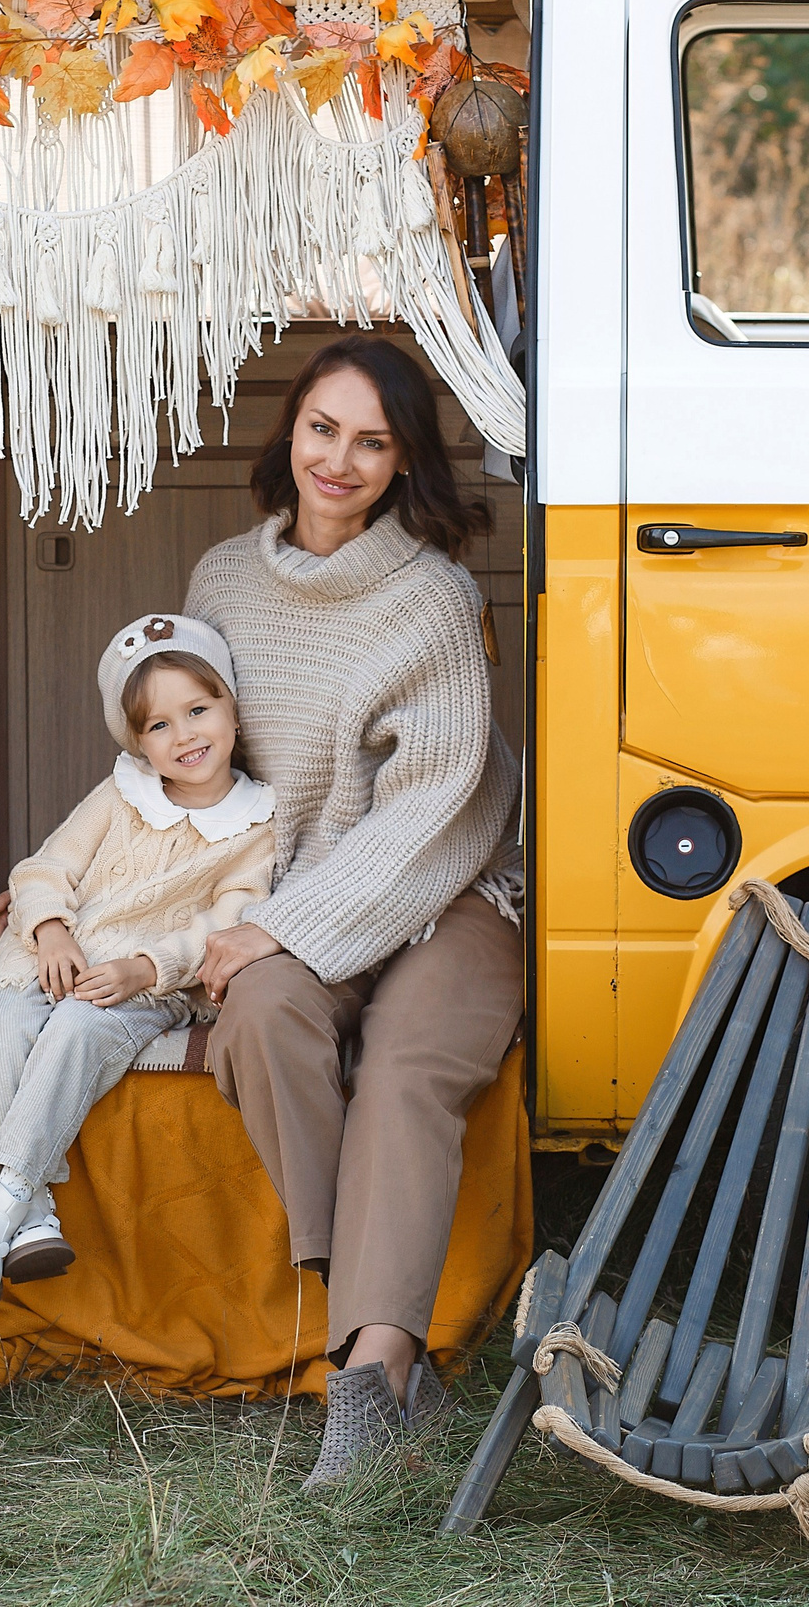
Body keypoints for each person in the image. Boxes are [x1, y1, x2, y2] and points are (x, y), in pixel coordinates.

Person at [187, 333, 523, 1487]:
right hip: (299, 896)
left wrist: (285, 925)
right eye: (323, 429)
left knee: (403, 1070)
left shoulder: (428, 597)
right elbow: (189, 759)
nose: (339, 460)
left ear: (402, 464)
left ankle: (371, 1378)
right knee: (258, 1015)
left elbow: (435, 807)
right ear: (291, 432)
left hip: (453, 887)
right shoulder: (225, 579)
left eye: (371, 443)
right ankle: (372, 1321)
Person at [0, 614, 278, 1299]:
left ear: (233, 712)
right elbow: (44, 867)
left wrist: (146, 969)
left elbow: (229, 920)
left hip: (141, 984)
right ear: (138, 742)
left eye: (198, 710)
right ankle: (31, 1216)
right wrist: (51, 931)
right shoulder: (120, 793)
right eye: (158, 725)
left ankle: (0, 1203)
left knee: (74, 1029)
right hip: (55, 955)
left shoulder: (256, 823)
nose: (184, 735)